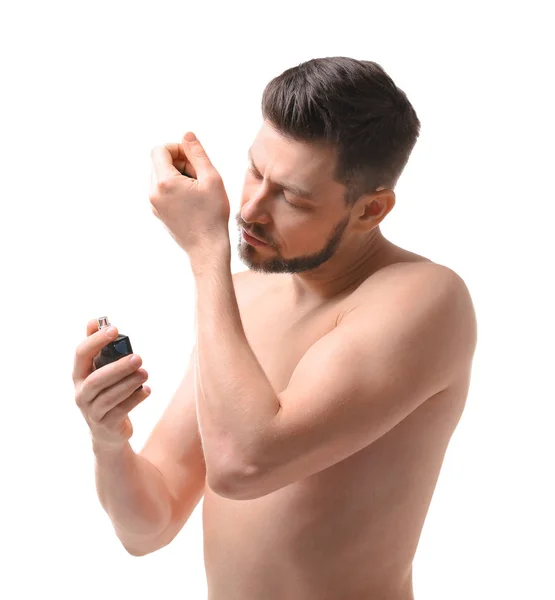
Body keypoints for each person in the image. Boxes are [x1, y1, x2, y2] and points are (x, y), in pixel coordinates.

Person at [73, 57, 477, 600]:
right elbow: (151, 525)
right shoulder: (242, 295)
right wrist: (109, 440)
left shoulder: (426, 299)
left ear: (371, 210)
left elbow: (244, 465)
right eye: (256, 172)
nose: (251, 209)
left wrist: (205, 251)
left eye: (292, 196)